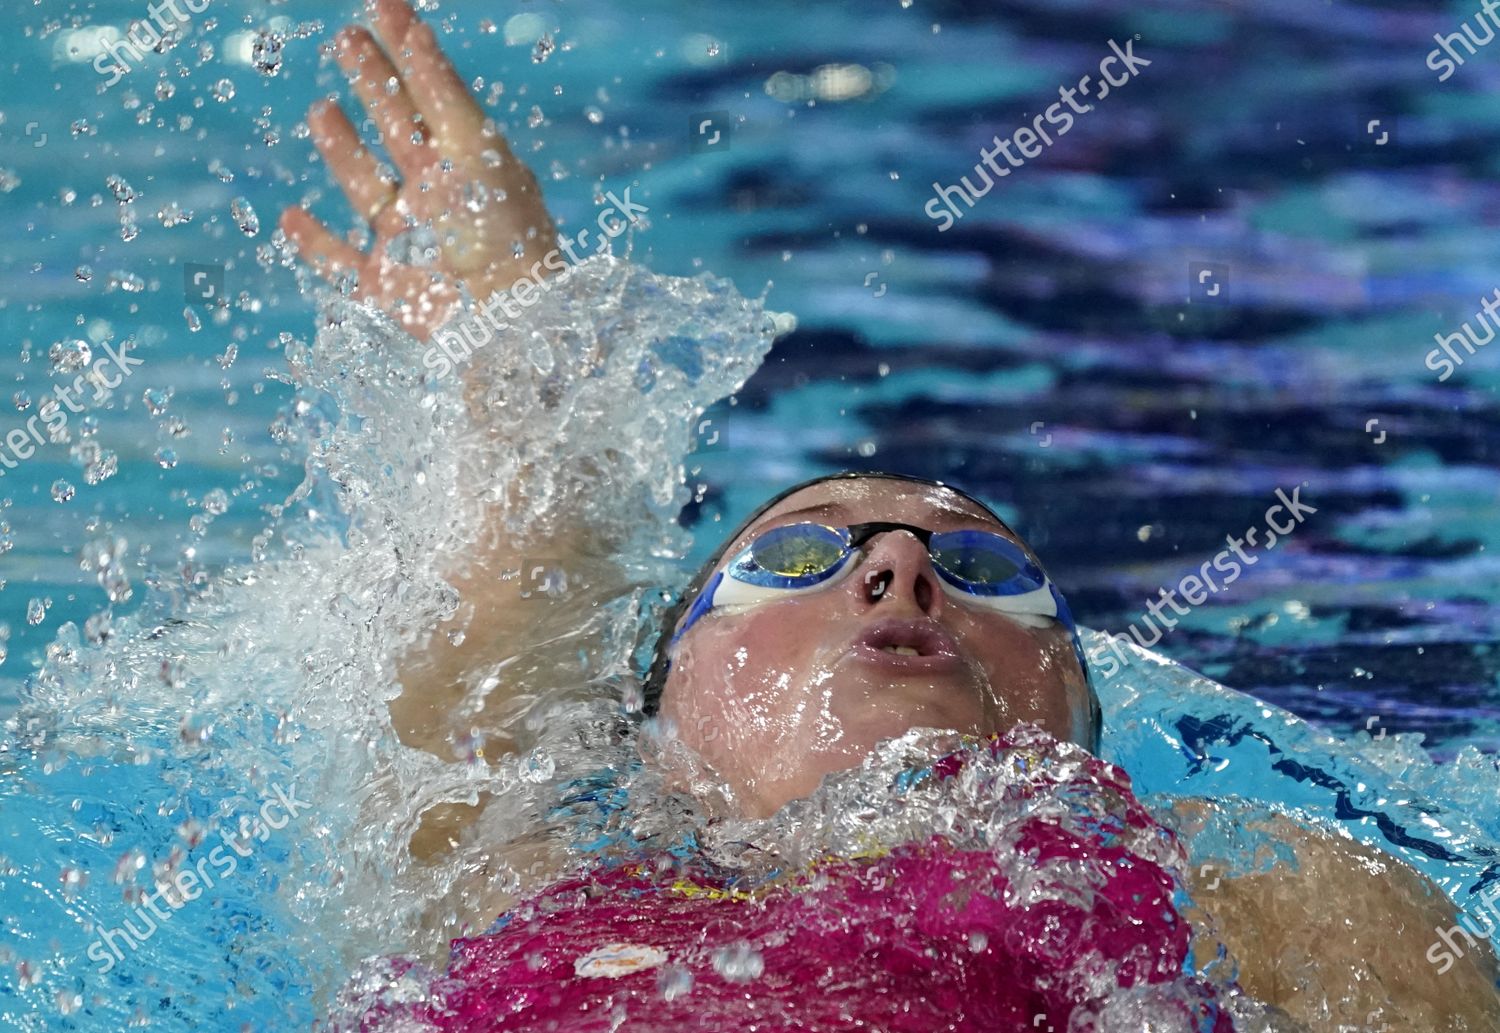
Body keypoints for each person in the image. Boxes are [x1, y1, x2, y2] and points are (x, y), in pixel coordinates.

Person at [284, 3, 1500, 1029]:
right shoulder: (512, 867)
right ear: (654, 714)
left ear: (1078, 718)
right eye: (798, 555)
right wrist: (520, 331)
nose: (907, 564)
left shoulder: (1237, 882)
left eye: (984, 568)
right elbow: (512, 608)